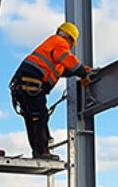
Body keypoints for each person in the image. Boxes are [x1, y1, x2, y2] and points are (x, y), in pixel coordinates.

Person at [9, 21, 93, 159]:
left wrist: (79, 71)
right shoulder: (59, 42)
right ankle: (42, 152)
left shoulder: (50, 46)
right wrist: (82, 72)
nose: (70, 47)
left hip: (22, 85)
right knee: (40, 116)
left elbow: (60, 69)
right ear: (68, 38)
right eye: (72, 43)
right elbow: (65, 58)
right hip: (32, 84)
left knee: (32, 118)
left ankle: (39, 151)